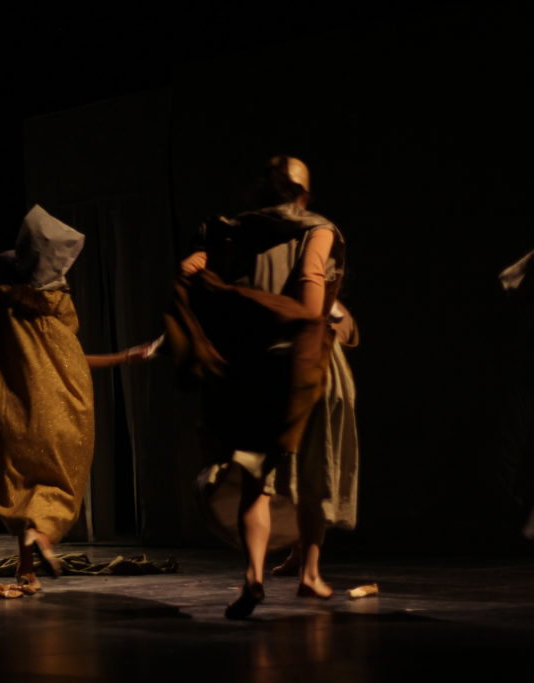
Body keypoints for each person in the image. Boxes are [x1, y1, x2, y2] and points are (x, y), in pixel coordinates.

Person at [0, 202, 154, 589]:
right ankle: (44, 538)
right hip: (58, 401)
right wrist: (125, 356)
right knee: (56, 481)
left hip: (9, 404)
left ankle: (26, 566)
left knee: (21, 478)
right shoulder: (55, 301)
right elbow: (73, 359)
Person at [167, 156, 350, 618]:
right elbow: (310, 295)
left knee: (255, 478)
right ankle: (309, 574)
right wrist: (329, 314)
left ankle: (253, 575)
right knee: (312, 476)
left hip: (250, 365)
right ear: (303, 195)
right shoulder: (317, 229)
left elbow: (201, 278)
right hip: (305, 362)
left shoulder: (229, 232)